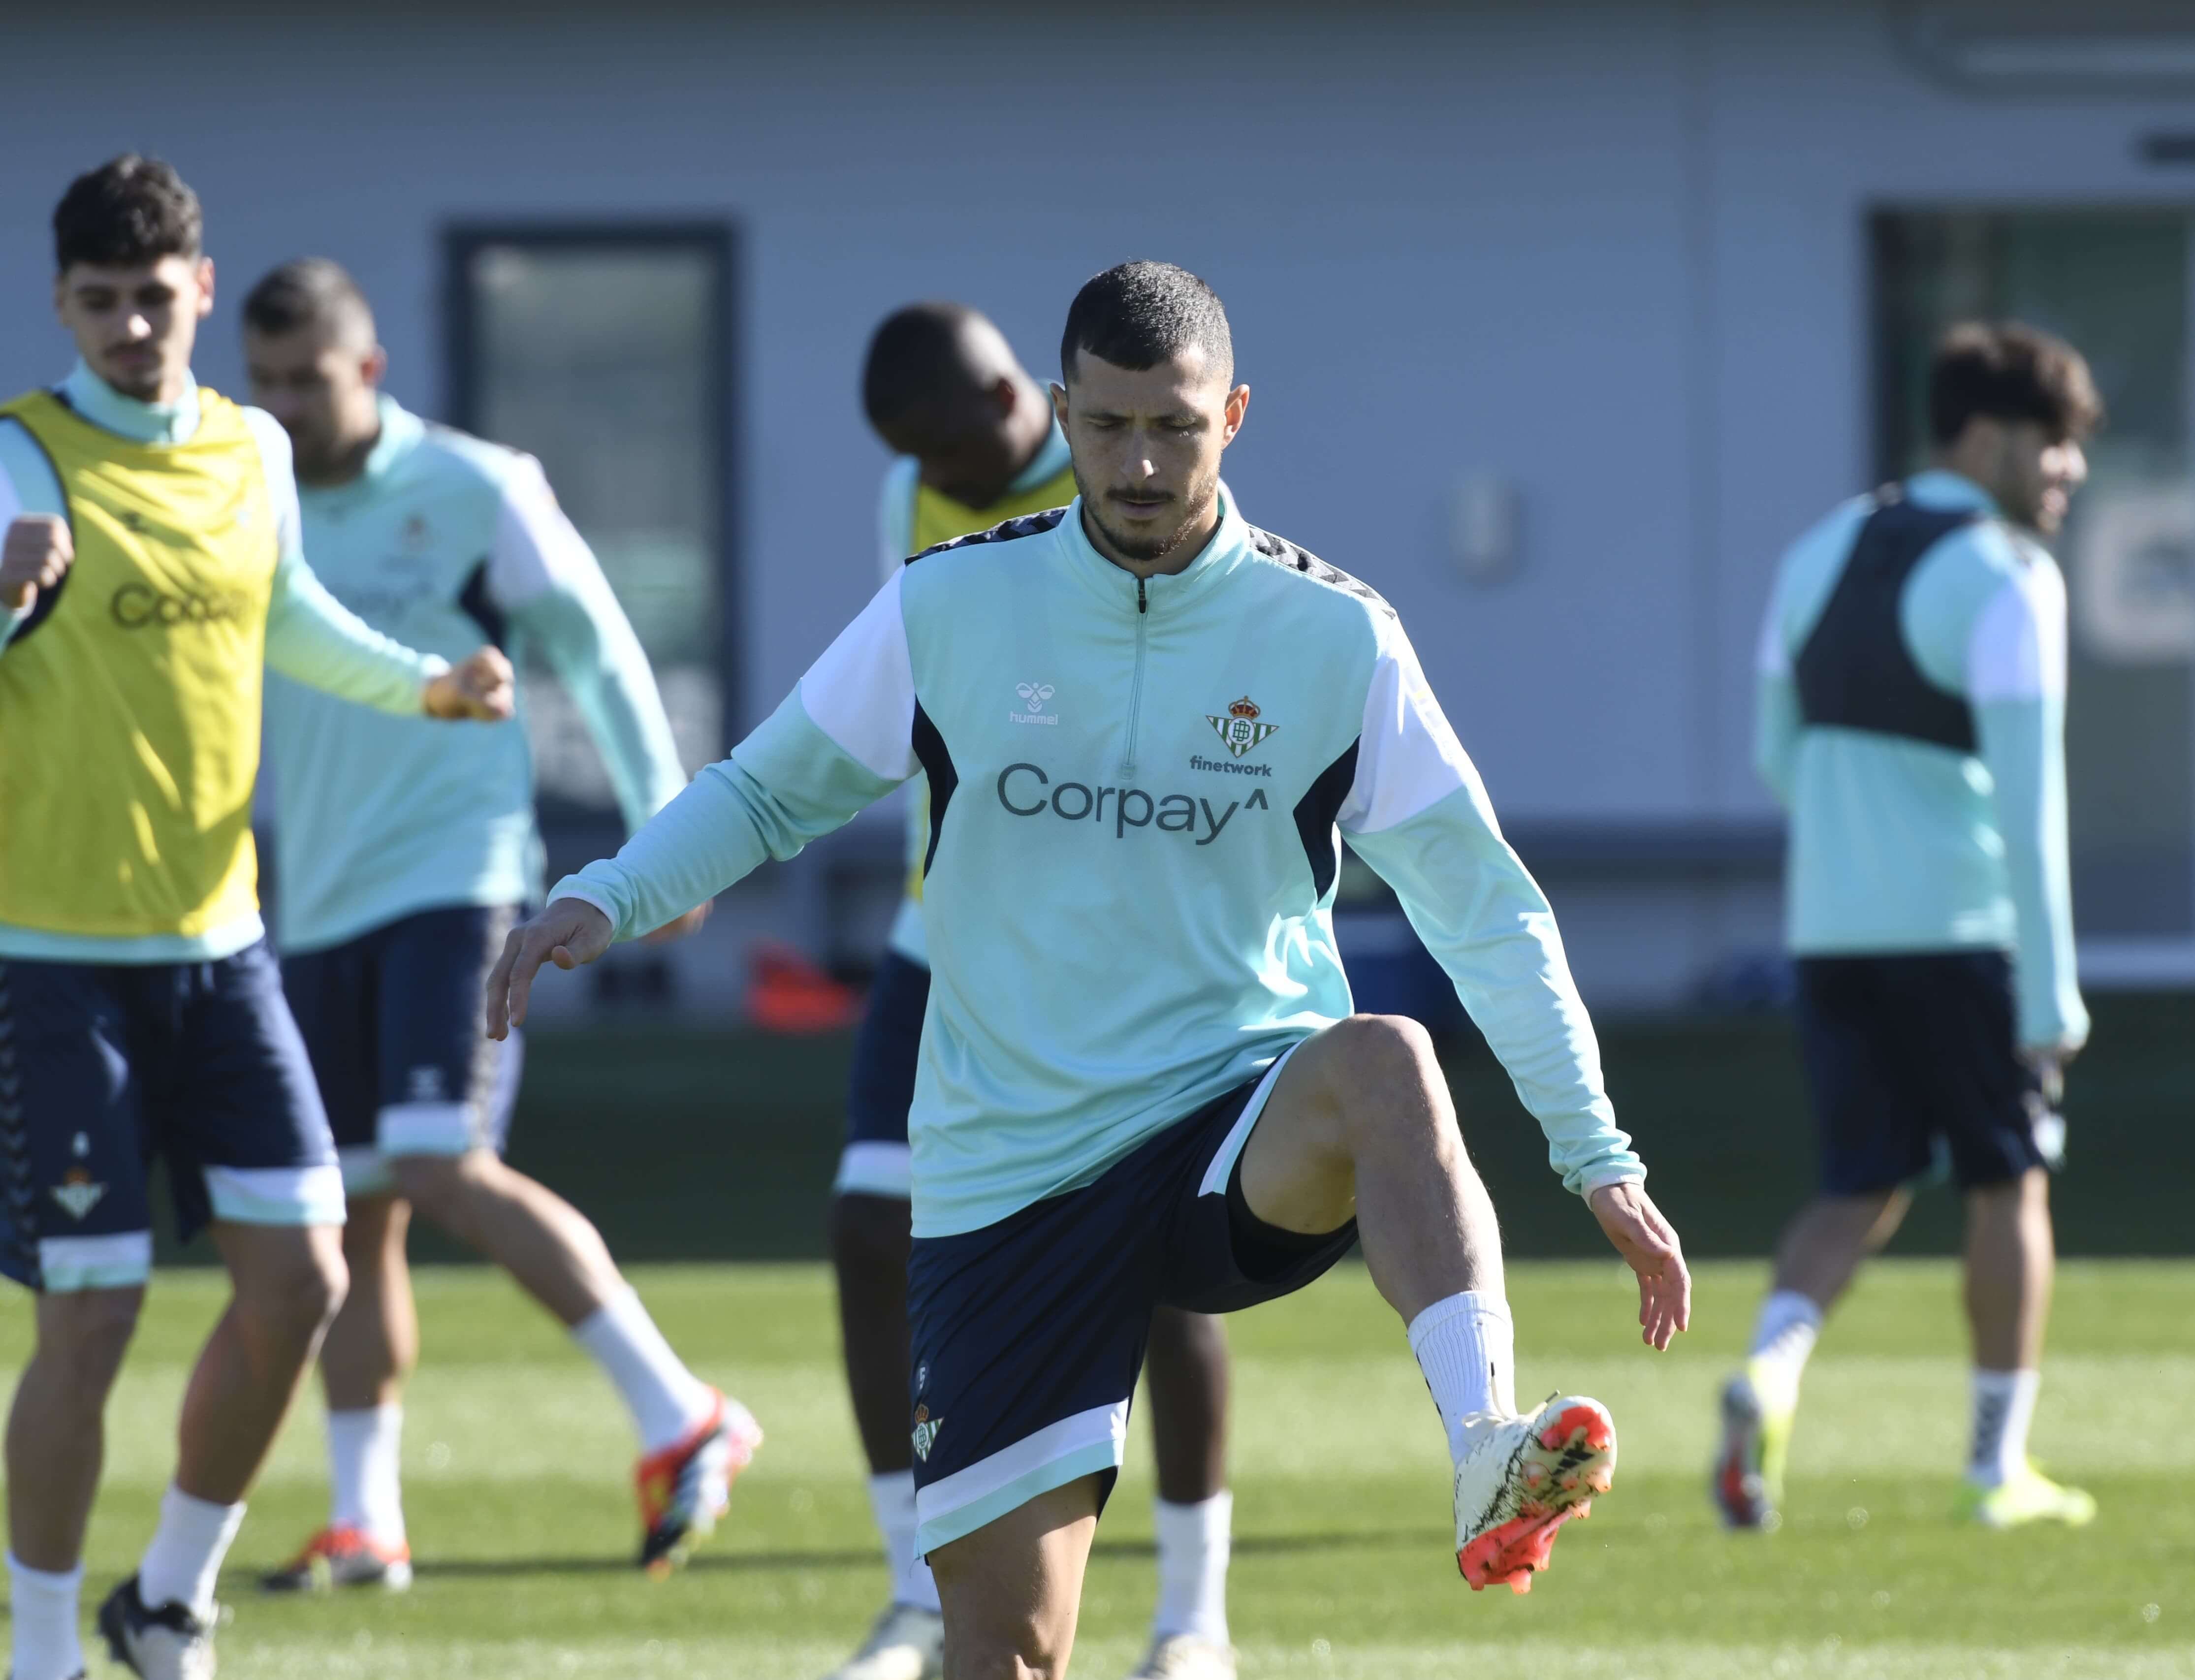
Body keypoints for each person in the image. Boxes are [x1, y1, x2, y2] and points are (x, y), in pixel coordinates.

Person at [487, 260, 1689, 1680]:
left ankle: (1487, 1444)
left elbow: (1485, 904)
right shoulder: (950, 604)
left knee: (1385, 1059)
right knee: (1002, 1655)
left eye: (1174, 425)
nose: (1138, 460)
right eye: (1109, 424)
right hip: (1010, 1170)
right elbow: (769, 790)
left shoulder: (1333, 636)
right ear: (1060, 413)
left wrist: (1596, 1153)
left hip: (1227, 1121)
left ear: (1233, 416)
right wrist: (611, 892)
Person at [0, 156, 512, 1680]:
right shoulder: (24, 459)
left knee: (306, 1275)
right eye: (100, 304)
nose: (131, 328)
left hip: (222, 948)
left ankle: (167, 1594)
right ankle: (36, 1652)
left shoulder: (247, 449)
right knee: (90, 1318)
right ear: (61, 307)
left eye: (156, 299)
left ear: (201, 292)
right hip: (54, 963)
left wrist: (426, 680)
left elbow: (287, 612)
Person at [235, 257, 755, 1593]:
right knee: (351, 1211)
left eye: (314, 377)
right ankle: (367, 1520)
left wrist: (660, 829)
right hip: (324, 896)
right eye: (270, 381)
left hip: (459, 878)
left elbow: (597, 643)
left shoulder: (479, 486)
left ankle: (678, 1410)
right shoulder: (252, 495)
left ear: (371, 369)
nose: (291, 403)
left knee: (437, 1158)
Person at [832, 302, 1236, 1680]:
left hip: (1119, 952)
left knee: (1168, 1265)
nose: (938, 472)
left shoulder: (1124, 489)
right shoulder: (913, 492)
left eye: (954, 442)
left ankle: (1193, 1615)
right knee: (867, 1221)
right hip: (941, 929)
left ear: (1026, 399)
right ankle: (909, 1590)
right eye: (916, 457)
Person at [1721, 320, 2100, 1534]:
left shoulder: (1817, 548)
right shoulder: (2007, 574)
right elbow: (2033, 801)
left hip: (1831, 931)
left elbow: (1772, 755)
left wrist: (1859, 836)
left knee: (1854, 1186)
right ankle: (1997, 1470)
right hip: (1966, 933)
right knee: (2008, 1186)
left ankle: (1767, 1375)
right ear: (1985, 436)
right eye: (2055, 445)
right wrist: (2051, 995)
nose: (2070, 471)